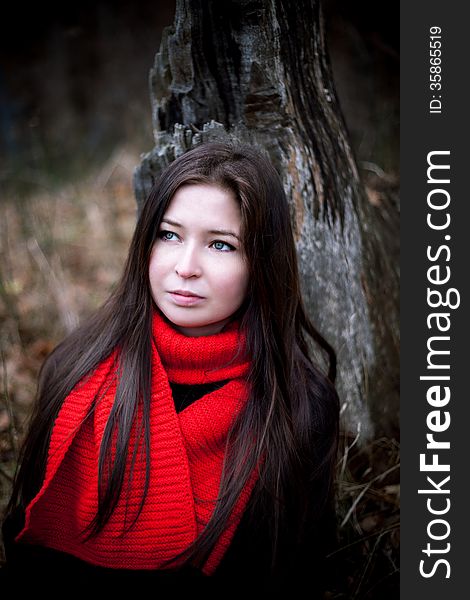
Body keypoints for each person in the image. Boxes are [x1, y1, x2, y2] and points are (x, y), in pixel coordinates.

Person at [1, 141, 340, 594]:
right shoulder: (77, 368)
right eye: (169, 235)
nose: (185, 267)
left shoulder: (299, 405)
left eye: (221, 244)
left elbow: (302, 574)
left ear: (261, 263)